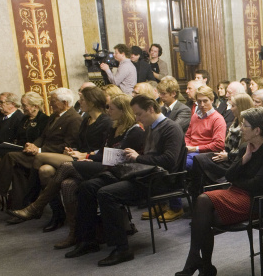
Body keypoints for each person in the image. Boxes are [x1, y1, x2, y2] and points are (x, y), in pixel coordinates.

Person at [9, 94, 145, 248]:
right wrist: (86, 156)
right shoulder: (113, 127)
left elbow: (118, 157)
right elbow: (103, 152)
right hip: (103, 164)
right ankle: (77, 235)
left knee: (66, 166)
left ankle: (35, 206)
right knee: (67, 184)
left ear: (123, 110)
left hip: (116, 171)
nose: (108, 111)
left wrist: (88, 157)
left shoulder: (135, 130)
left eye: (111, 108)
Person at [67, 95, 185, 266]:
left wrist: (138, 158)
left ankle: (121, 248)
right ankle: (87, 240)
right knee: (88, 187)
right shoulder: (152, 126)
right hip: (144, 174)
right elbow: (150, 157)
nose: (137, 119)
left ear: (151, 109)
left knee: (106, 193)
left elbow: (169, 161)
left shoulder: (171, 128)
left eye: (139, 114)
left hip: (159, 181)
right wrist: (134, 157)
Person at [175, 107, 263, 276]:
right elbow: (230, 175)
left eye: (245, 125)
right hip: (237, 193)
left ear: (257, 130)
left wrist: (240, 179)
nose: (241, 127)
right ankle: (203, 266)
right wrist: (244, 159)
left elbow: (256, 185)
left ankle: (201, 264)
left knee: (204, 208)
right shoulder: (244, 148)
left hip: (256, 201)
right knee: (203, 204)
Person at [0, 88, 81, 212]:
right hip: (40, 152)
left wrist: (39, 150)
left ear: (65, 103)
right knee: (17, 169)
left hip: (52, 156)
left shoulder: (74, 119)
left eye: (53, 101)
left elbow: (68, 145)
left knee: (11, 156)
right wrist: (34, 146)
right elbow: (42, 137)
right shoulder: (54, 116)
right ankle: (19, 206)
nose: (50, 103)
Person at [188, 93, 254, 199]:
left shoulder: (247, 125)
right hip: (226, 155)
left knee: (200, 160)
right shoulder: (236, 120)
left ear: (241, 107)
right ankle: (199, 193)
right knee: (198, 160)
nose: (230, 109)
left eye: (233, 106)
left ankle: (199, 195)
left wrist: (228, 155)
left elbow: (245, 150)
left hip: (234, 161)